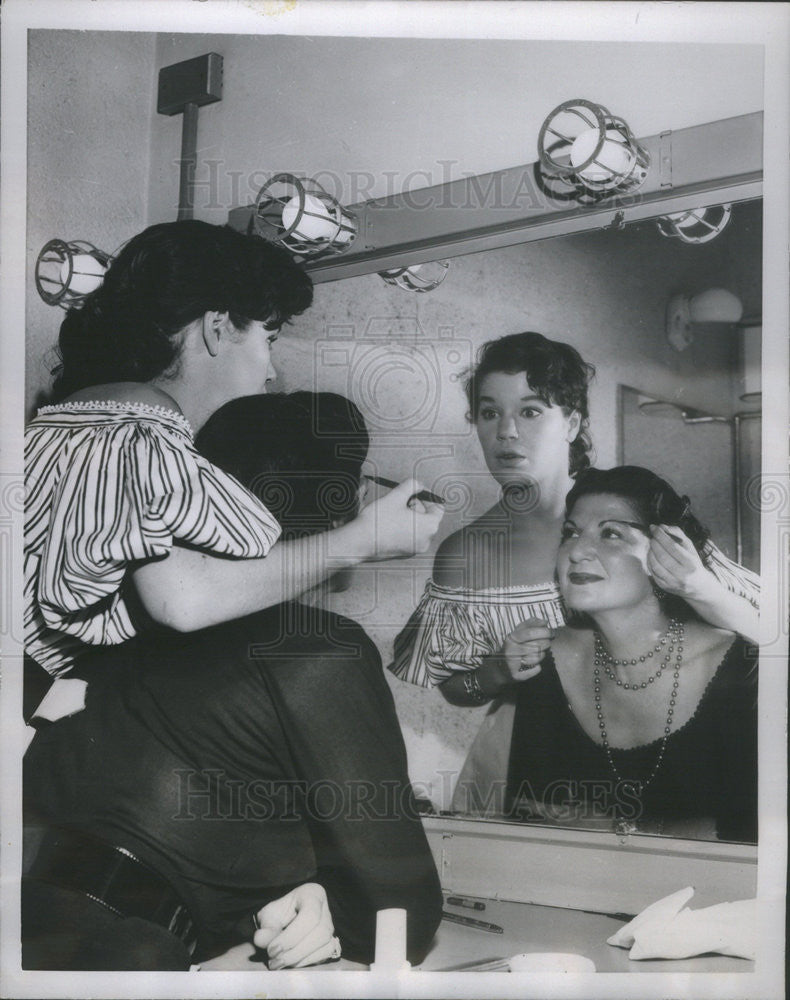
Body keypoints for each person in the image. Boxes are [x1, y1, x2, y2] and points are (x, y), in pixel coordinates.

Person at [22, 392, 443, 970]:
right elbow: (405, 917)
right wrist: (324, 902)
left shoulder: (111, 626)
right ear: (340, 507)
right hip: (128, 953)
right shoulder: (317, 652)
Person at [24, 219, 443, 706]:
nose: (271, 371)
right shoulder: (143, 437)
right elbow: (182, 601)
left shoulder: (74, 421)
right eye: (270, 340)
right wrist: (362, 540)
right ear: (217, 328)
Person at [389, 332, 760, 807]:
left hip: (674, 749)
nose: (505, 431)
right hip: (534, 766)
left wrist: (700, 587)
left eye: (530, 410)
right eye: (488, 412)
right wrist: (500, 670)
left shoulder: (636, 514)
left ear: (572, 422)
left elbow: (764, 635)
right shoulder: (465, 552)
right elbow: (456, 688)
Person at [491, 466, 757, 842]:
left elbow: (751, 843)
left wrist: (607, 829)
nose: (577, 551)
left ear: (668, 552)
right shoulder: (545, 658)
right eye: (570, 533)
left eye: (611, 533)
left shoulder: (740, 669)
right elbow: (529, 822)